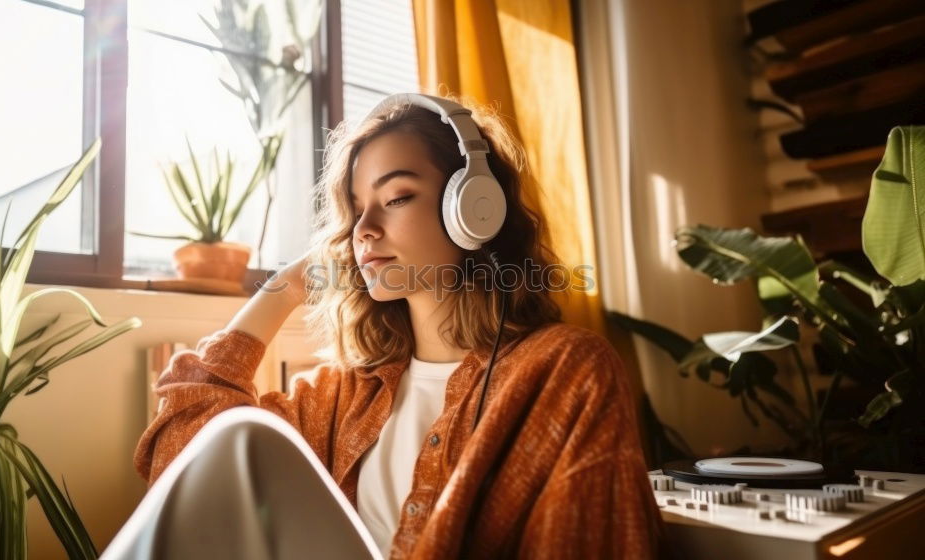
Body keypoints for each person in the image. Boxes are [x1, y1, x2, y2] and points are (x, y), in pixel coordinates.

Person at [102, 93, 663, 559]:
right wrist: (284, 290)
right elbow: (181, 457)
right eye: (354, 207)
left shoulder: (563, 370)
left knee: (245, 436)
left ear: (474, 209)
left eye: (396, 197)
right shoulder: (345, 393)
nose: (363, 229)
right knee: (237, 438)